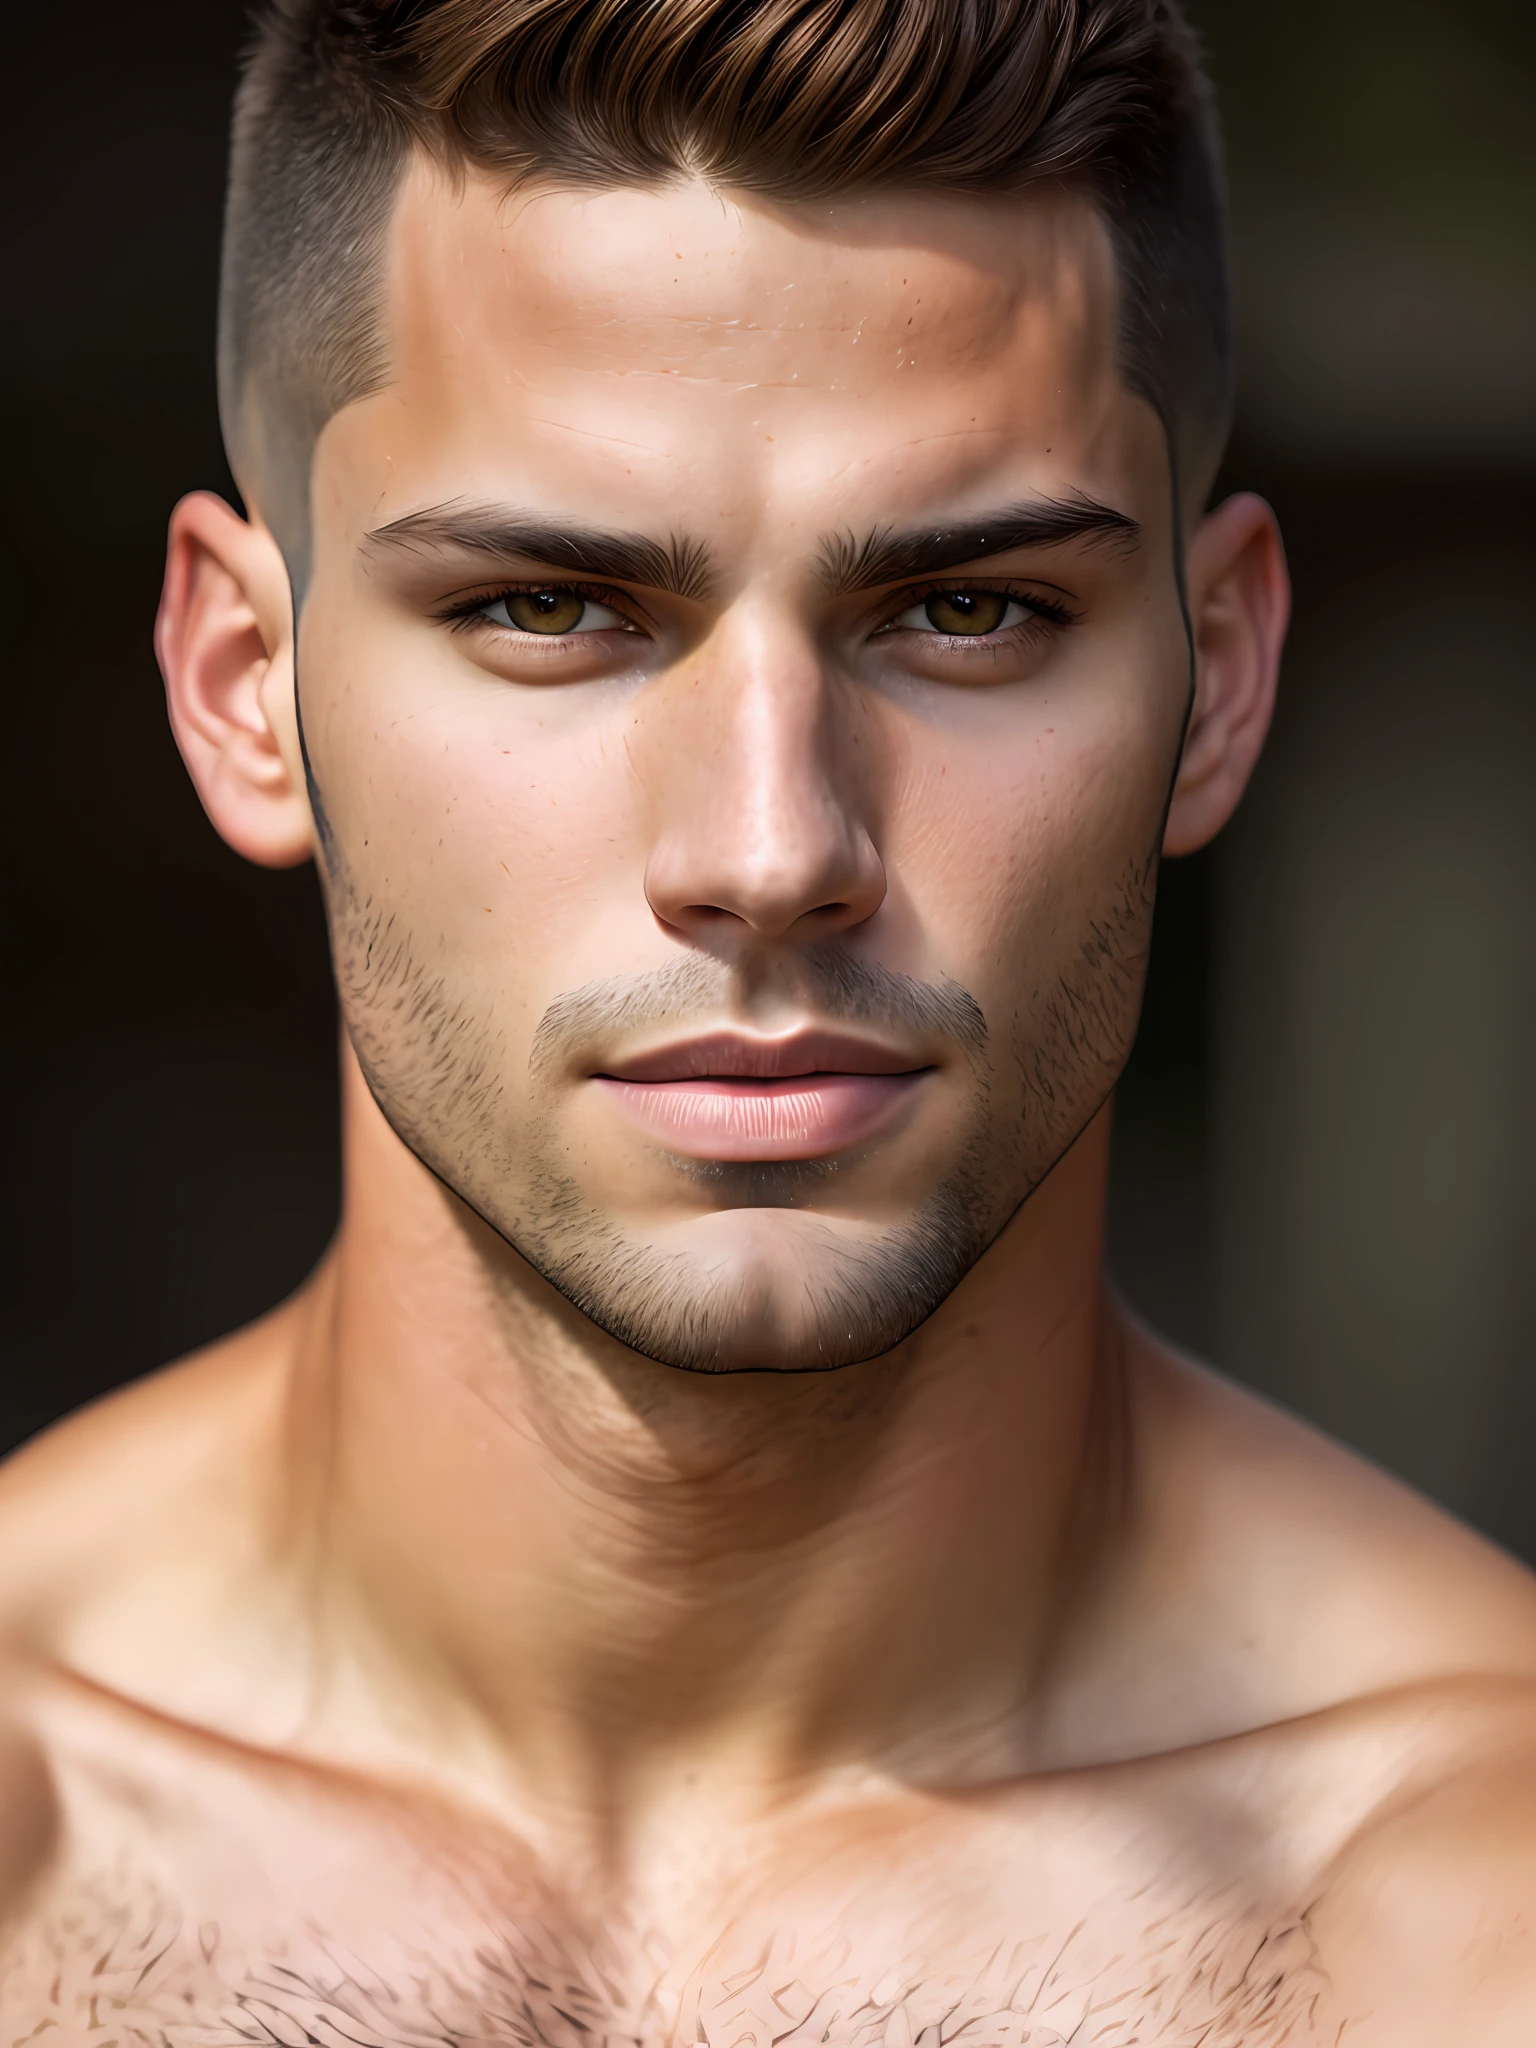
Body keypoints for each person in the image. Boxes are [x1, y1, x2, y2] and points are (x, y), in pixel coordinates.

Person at [3, 0, 1535, 2039]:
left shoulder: (1475, 1912)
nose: (769, 846)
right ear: (239, 690)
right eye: (549, 608)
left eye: (968, 611)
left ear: (1219, 680)